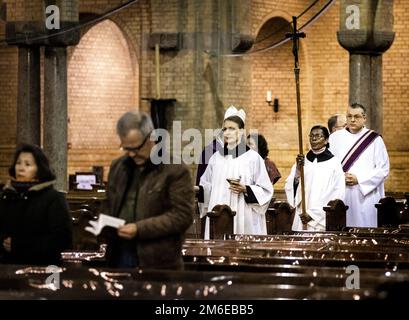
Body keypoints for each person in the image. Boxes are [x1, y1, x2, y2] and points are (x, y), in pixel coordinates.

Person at [105, 110, 194, 270]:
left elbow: (183, 215)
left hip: (157, 260)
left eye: (136, 148)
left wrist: (140, 229)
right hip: (119, 255)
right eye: (126, 148)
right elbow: (109, 205)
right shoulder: (119, 167)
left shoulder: (174, 169)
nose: (131, 154)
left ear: (151, 138)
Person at [198, 106, 273, 239]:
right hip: (218, 218)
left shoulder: (253, 158)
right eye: (225, 129)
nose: (227, 133)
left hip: (244, 214)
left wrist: (246, 189)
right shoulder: (215, 158)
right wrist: (199, 190)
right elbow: (207, 185)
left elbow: (266, 190)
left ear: (242, 132)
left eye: (232, 129)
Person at [0, 143, 72, 265]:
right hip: (7, 267)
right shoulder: (6, 196)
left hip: (41, 269)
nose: (21, 168)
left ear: (39, 169)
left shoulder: (53, 199)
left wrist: (21, 245)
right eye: (19, 163)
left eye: (28, 164)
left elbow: (62, 240)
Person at [329, 103, 390, 227]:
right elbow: (328, 165)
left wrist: (360, 179)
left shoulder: (374, 139)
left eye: (356, 116)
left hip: (365, 195)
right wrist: (340, 177)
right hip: (341, 193)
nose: (352, 119)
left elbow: (383, 169)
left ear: (364, 118)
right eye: (349, 116)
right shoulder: (334, 138)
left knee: (364, 228)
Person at [285, 125, 345, 231]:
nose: (314, 139)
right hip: (301, 216)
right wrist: (298, 172)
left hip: (321, 219)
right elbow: (291, 186)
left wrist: (313, 214)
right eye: (311, 136)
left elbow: (337, 192)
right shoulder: (303, 161)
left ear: (326, 140)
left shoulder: (334, 163)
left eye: (318, 136)